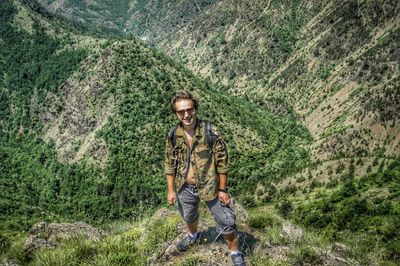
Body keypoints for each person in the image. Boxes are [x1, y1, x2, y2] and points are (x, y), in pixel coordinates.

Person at [164, 91, 245, 266]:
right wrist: (171, 190)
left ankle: (235, 252)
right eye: (181, 111)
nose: (186, 115)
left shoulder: (210, 131)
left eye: (190, 109)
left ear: (195, 109)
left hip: (211, 186)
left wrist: (223, 190)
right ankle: (193, 235)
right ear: (176, 113)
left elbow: (222, 162)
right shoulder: (173, 135)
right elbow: (170, 164)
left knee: (226, 220)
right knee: (189, 215)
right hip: (184, 186)